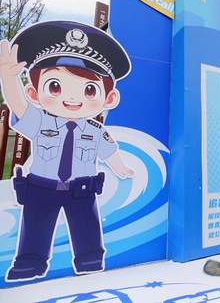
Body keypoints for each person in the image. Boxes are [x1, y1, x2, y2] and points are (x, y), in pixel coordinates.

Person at [0, 21, 135, 281]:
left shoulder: (95, 130)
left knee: (87, 228)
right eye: (55, 86)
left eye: (89, 90)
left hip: (82, 190)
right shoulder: (40, 121)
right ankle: (31, 261)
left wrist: (119, 166)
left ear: (109, 99)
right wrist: (8, 78)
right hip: (41, 188)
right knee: (36, 227)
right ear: (33, 92)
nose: (72, 99)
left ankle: (89, 258)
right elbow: (18, 106)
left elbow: (107, 150)